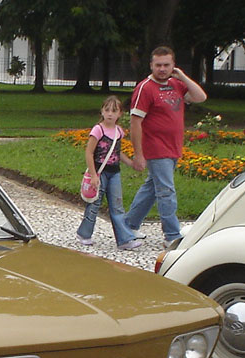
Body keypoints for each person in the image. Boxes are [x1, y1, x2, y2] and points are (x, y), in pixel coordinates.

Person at [124, 46, 207, 245]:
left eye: (167, 65)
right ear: (151, 65)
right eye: (158, 65)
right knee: (166, 191)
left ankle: (127, 225)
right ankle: (172, 236)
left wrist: (183, 77)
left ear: (173, 65)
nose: (162, 69)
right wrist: (138, 153)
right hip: (156, 147)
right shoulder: (145, 88)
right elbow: (135, 122)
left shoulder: (176, 85)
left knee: (153, 187)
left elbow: (200, 97)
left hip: (174, 147)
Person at [76, 95, 141, 250]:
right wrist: (93, 175)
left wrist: (131, 163)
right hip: (99, 172)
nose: (110, 114)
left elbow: (118, 153)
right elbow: (89, 152)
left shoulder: (119, 131)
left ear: (120, 114)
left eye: (114, 111)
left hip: (114, 173)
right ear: (102, 112)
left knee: (117, 205)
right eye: (107, 110)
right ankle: (84, 233)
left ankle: (124, 239)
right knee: (94, 203)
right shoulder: (98, 130)